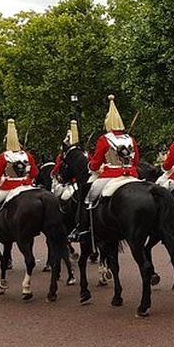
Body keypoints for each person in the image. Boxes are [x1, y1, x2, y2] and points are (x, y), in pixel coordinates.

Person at [68, 95, 139, 242]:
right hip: (131, 175)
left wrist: (94, 167)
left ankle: (84, 230)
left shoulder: (105, 139)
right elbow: (136, 160)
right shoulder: (130, 139)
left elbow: (95, 163)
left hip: (110, 175)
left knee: (88, 199)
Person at [0, 120, 39, 236]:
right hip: (27, 185)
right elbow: (34, 173)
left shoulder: (4, 156)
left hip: (8, 187)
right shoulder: (27, 155)